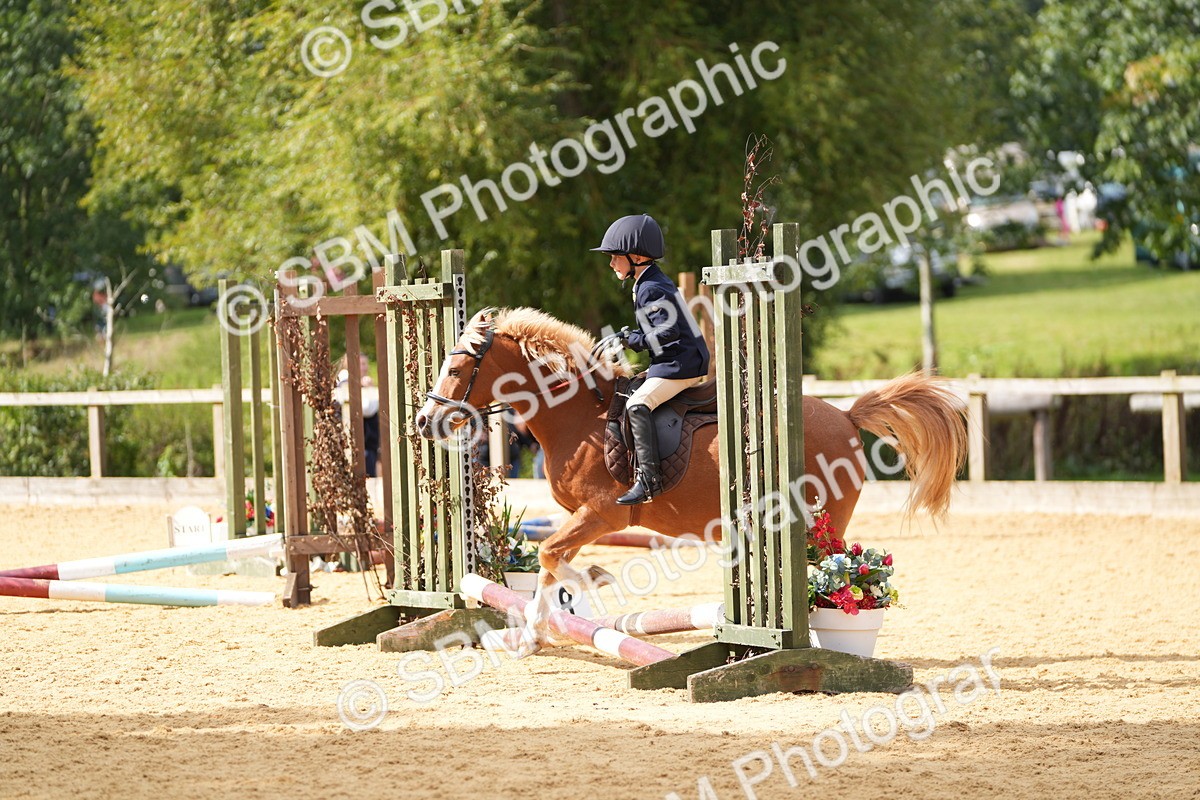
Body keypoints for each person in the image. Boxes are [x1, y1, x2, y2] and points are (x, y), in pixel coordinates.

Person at [591, 213, 710, 505]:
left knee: (637, 404)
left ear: (636, 256)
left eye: (615, 257)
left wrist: (630, 340)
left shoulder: (651, 287)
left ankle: (648, 481)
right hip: (673, 360)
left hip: (680, 364)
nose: (611, 263)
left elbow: (667, 332)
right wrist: (626, 334)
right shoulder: (648, 281)